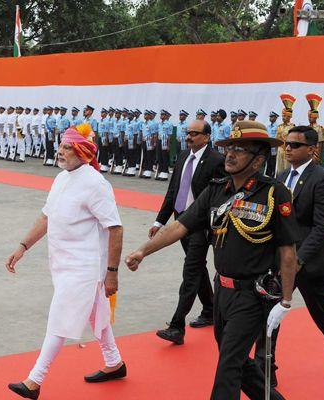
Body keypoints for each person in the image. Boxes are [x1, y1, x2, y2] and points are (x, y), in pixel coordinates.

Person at [126, 121, 298, 400]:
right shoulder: (217, 189)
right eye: (229, 147)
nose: (230, 154)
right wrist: (143, 251)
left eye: (240, 149)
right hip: (223, 292)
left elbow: (288, 251)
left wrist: (286, 301)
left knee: (228, 366)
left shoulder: (273, 193)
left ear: (258, 160)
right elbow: (180, 226)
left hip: (252, 295)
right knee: (239, 363)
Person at [6, 123, 126, 400]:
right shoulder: (61, 178)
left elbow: (115, 228)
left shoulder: (96, 184)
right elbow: (46, 217)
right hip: (60, 263)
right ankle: (115, 363)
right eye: (60, 146)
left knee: (59, 318)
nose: (59, 152)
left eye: (66, 148)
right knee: (98, 315)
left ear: (82, 152)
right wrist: (23, 246)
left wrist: (111, 273)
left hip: (84, 267)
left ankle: (34, 381)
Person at [256, 125, 324, 387]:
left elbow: (322, 226)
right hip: (283, 258)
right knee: (272, 311)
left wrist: (299, 260)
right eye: (287, 144)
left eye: (295, 145)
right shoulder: (280, 176)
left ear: (312, 149)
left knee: (320, 312)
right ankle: (268, 367)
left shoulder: (323, 178)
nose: (288, 148)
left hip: (313, 260)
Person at [151, 120, 225, 345]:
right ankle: (210, 309)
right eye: (187, 133)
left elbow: (221, 196)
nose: (189, 137)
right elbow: (173, 190)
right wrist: (159, 221)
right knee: (197, 266)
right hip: (180, 221)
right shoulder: (183, 156)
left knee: (191, 270)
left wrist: (213, 226)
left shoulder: (216, 160)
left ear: (207, 136)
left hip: (201, 226)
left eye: (194, 133)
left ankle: (176, 326)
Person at [276, 93, 296, 175]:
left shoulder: (292, 127)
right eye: (282, 116)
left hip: (288, 149)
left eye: (285, 116)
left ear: (289, 116)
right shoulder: (280, 126)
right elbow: (277, 138)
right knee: (279, 170)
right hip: (280, 149)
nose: (283, 117)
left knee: (287, 169)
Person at [305, 93, 324, 164]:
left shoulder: (319, 128)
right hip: (306, 153)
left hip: (315, 153)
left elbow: (320, 144)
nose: (309, 118)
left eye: (311, 117)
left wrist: (318, 156)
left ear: (315, 117)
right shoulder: (307, 127)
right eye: (308, 117)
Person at [266, 111, 279, 177]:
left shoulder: (278, 127)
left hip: (274, 148)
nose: (270, 118)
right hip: (268, 147)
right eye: (270, 117)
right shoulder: (268, 127)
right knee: (268, 163)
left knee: (273, 163)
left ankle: (272, 176)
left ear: (276, 118)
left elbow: (277, 138)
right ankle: (267, 176)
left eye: (272, 117)